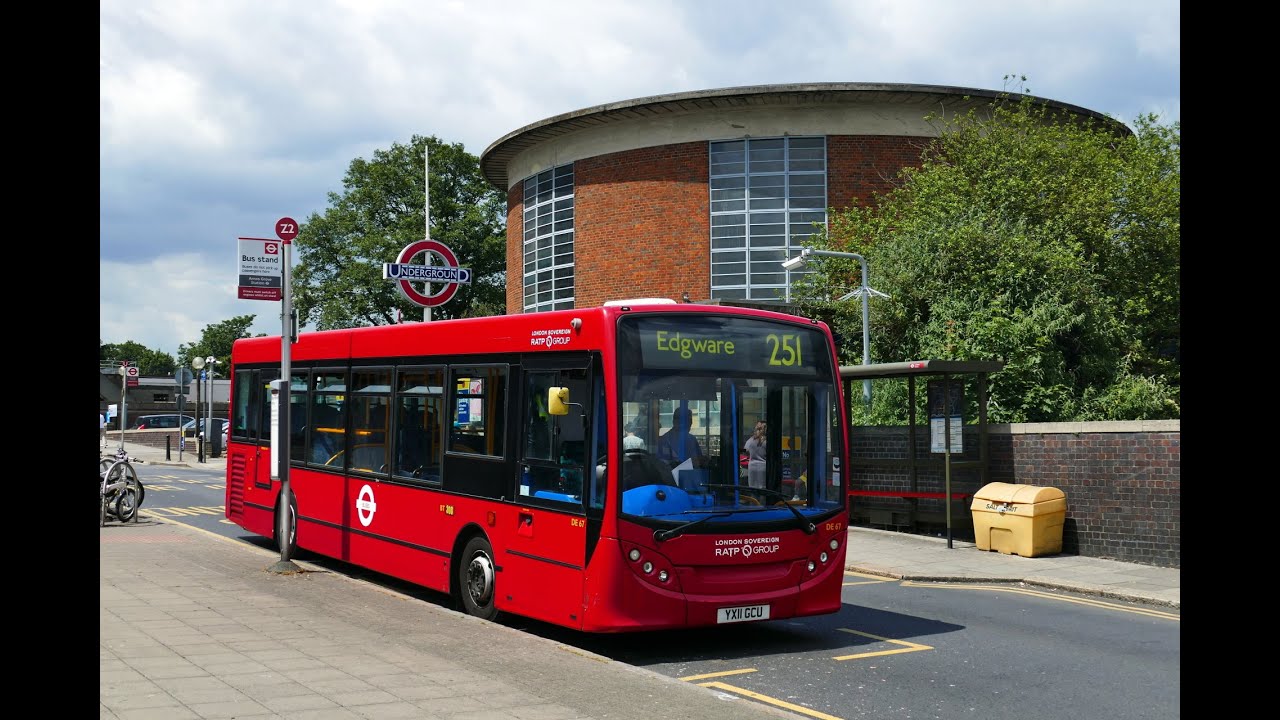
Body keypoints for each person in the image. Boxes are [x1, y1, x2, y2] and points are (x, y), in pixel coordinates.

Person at [744, 420, 766, 488]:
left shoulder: (751, 440)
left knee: (753, 489)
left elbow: (745, 450)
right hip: (763, 467)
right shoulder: (767, 441)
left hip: (752, 467)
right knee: (763, 489)